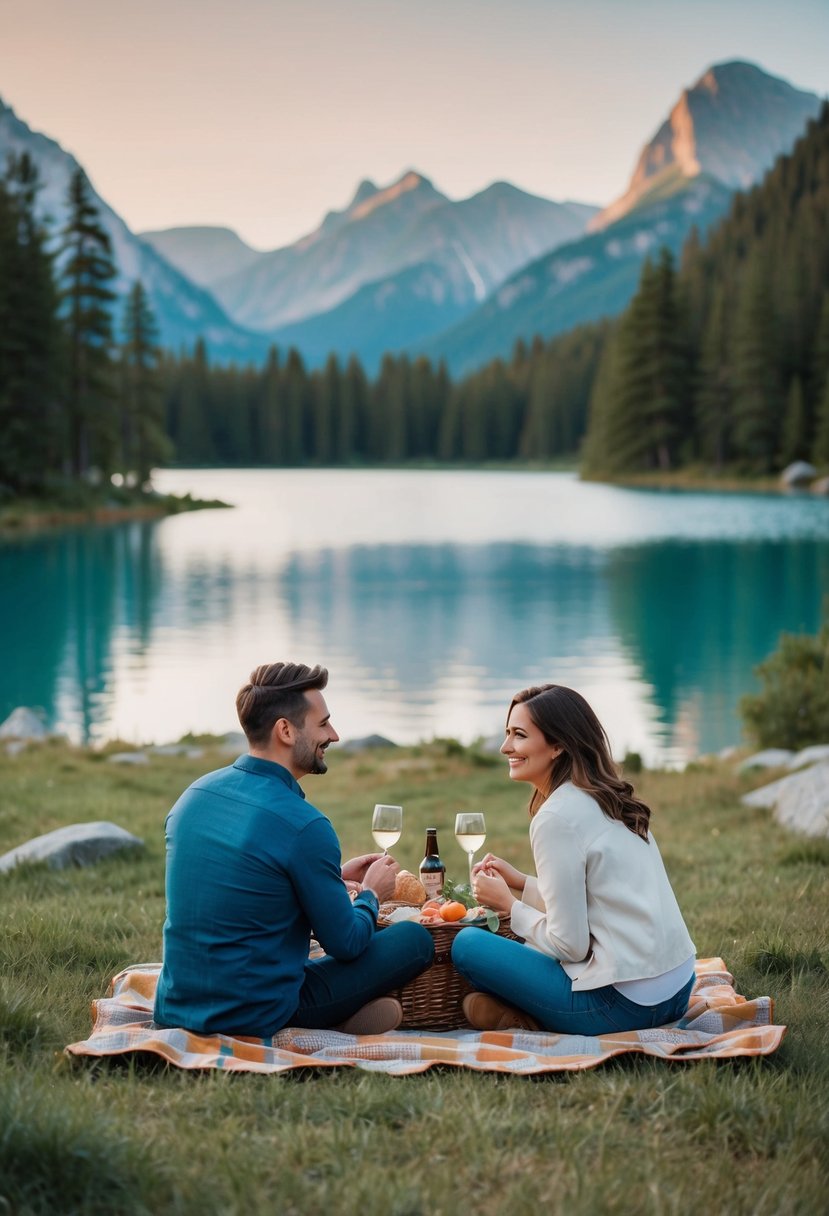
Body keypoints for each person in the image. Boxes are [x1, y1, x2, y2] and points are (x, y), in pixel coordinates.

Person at [153, 662, 434, 1038]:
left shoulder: (193, 796)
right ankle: (337, 1016)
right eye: (323, 724)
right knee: (415, 941)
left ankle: (347, 1013)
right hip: (255, 1014)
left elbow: (244, 885)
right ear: (285, 730)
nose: (333, 734)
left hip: (175, 1005)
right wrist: (370, 894)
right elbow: (346, 944)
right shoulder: (305, 825)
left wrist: (330, 877)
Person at [451, 684, 695, 1034]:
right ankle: (516, 1012)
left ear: (558, 745)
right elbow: (601, 899)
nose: (506, 747)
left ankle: (523, 1016)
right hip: (678, 989)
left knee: (469, 944)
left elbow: (571, 947)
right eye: (507, 734)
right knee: (530, 944)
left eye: (519, 735)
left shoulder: (555, 818)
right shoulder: (607, 797)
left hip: (624, 1008)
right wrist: (522, 884)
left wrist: (511, 906)